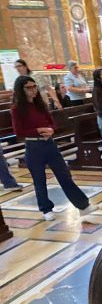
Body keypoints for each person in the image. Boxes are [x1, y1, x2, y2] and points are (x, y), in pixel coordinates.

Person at [10, 76, 97, 221]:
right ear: (20, 89)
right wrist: (39, 130)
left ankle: (83, 206)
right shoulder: (17, 109)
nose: (33, 90)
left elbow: (51, 123)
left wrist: (50, 130)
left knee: (64, 175)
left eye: (34, 86)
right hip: (33, 146)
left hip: (49, 144)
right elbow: (19, 131)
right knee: (39, 180)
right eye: (29, 87)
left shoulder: (40, 105)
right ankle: (46, 209)